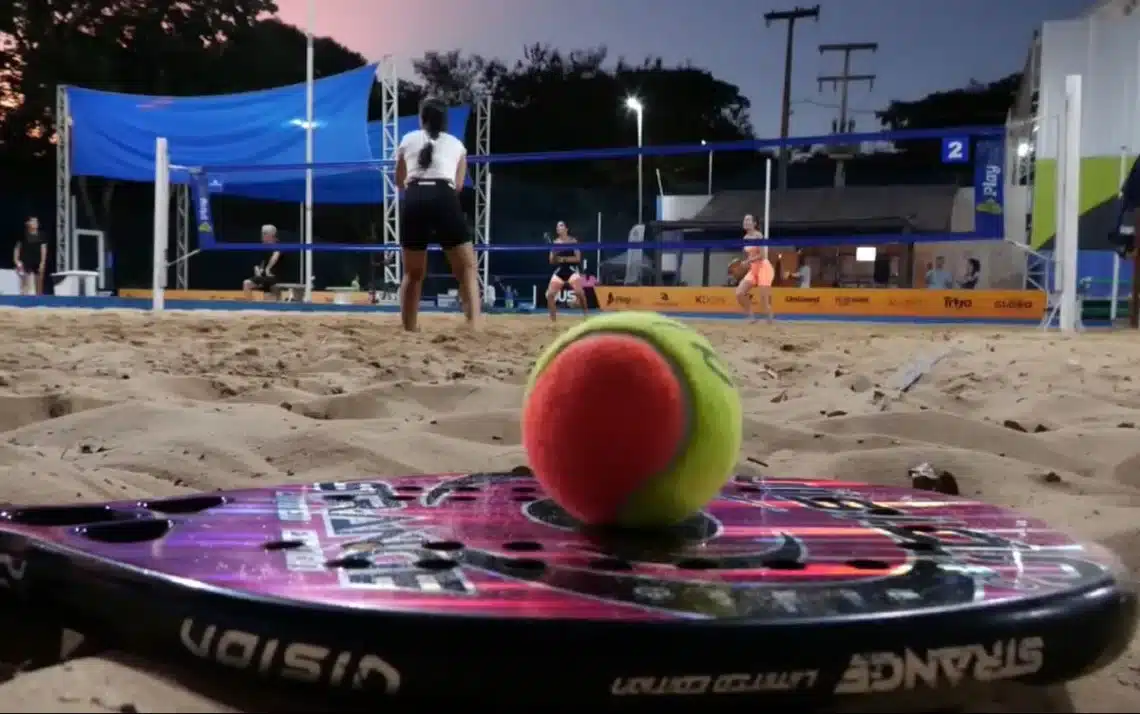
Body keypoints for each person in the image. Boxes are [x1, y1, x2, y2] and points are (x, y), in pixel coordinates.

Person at [395, 98, 479, 331]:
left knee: (412, 273)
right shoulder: (457, 144)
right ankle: (473, 325)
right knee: (467, 269)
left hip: (414, 197)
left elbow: (399, 181)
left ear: (422, 118)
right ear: (445, 121)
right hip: (444, 195)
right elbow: (459, 185)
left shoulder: (408, 139)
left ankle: (409, 327)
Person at [734, 214, 774, 323]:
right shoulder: (745, 238)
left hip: (764, 268)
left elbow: (763, 255)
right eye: (744, 220)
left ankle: (771, 321)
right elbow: (749, 256)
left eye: (748, 220)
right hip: (754, 269)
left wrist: (748, 261)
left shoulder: (758, 236)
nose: (745, 222)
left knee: (764, 300)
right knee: (739, 293)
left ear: (754, 223)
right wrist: (745, 263)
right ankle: (751, 317)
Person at [545, 221, 588, 322]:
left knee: (580, 293)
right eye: (557, 227)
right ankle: (553, 321)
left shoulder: (573, 241)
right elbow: (551, 261)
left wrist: (564, 259)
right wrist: (555, 254)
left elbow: (577, 258)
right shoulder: (555, 243)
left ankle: (586, 316)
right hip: (560, 271)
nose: (559, 228)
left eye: (561, 226)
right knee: (549, 295)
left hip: (572, 270)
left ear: (566, 229)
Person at [242, 225, 285, 301]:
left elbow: (275, 256)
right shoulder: (263, 247)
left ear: (271, 235)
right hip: (264, 277)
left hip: (275, 277)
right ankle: (250, 305)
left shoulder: (279, 245)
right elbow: (261, 262)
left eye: (264, 233)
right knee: (246, 283)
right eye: (262, 233)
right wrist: (258, 269)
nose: (261, 236)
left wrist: (268, 268)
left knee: (270, 300)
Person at [13, 216, 46, 296]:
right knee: (25, 284)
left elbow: (43, 249)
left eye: (36, 222)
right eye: (33, 221)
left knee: (39, 283)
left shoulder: (42, 235)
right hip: (26, 261)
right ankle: (24, 299)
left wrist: (42, 262)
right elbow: (17, 248)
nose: (35, 223)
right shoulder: (23, 235)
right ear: (28, 223)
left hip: (37, 261)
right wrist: (16, 260)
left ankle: (39, 299)